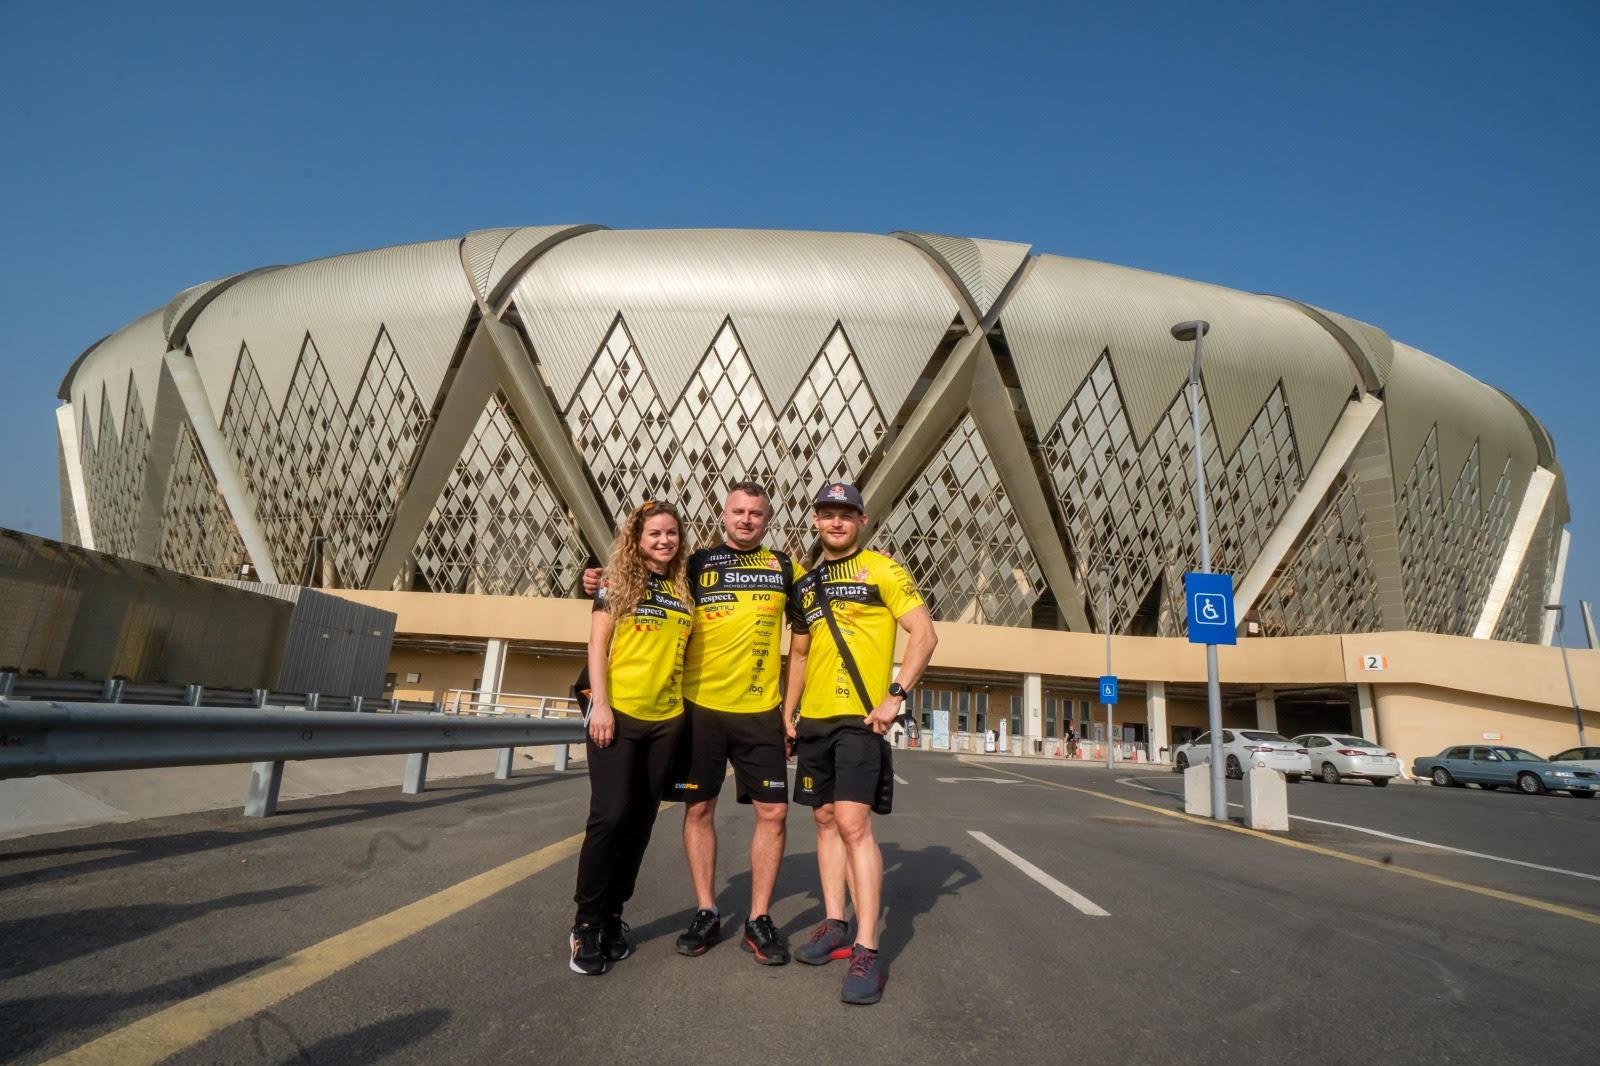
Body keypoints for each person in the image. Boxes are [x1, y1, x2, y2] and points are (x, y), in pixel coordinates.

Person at [584, 482, 804, 965]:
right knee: (696, 810)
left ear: (768, 520)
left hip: (759, 711)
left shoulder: (784, 567)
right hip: (697, 710)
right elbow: (633, 578)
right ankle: (706, 910)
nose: (746, 519)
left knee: (775, 813)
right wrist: (594, 579)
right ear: (723, 515)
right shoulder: (695, 566)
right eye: (738, 511)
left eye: (756, 513)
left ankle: (759, 917)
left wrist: (790, 712)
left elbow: (812, 627)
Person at [783, 482, 937, 1005]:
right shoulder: (806, 583)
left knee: (852, 823)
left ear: (862, 521)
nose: (836, 523)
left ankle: (868, 948)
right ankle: (834, 923)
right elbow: (799, 656)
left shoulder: (884, 570)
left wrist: (896, 696)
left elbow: (924, 634)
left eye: (845, 515)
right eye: (827, 514)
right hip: (815, 721)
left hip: (860, 720)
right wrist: (788, 715)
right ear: (816, 522)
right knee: (824, 820)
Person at [569, 500, 693, 976]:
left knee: (640, 823)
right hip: (617, 715)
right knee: (610, 816)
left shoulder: (684, 588)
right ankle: (586, 923)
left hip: (667, 720)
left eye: (671, 534)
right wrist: (600, 704)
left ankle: (614, 915)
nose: (664, 541)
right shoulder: (616, 584)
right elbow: (597, 645)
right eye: (654, 534)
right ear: (636, 540)